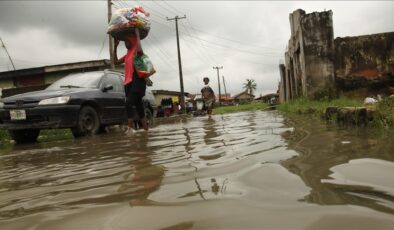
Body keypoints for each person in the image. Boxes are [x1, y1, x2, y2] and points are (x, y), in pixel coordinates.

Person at [114, 29, 148, 133]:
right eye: (124, 42)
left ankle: (130, 129)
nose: (125, 43)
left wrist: (137, 35)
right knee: (139, 108)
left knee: (128, 103)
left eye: (127, 41)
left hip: (138, 82)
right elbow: (115, 62)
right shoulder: (127, 54)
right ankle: (146, 130)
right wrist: (115, 46)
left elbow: (139, 48)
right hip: (129, 83)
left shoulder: (137, 51)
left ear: (132, 41)